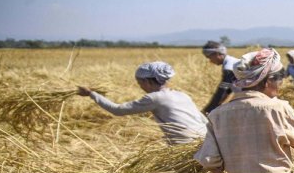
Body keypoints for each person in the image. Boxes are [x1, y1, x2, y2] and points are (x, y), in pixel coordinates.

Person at [77, 62, 207, 146]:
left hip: (185, 145)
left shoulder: (154, 98)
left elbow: (117, 110)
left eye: (140, 83)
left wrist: (91, 94)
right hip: (205, 141)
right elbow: (203, 119)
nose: (141, 87)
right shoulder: (182, 95)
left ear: (147, 81)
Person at [201, 41, 240, 113]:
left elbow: (222, 90)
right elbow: (228, 89)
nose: (210, 61)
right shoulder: (233, 62)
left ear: (217, 54)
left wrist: (208, 110)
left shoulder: (228, 68)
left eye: (209, 57)